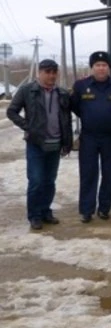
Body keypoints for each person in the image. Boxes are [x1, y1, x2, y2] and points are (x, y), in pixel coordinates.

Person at [6, 59, 73, 230]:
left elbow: (66, 119)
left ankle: (45, 211)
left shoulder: (62, 93)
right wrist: (28, 127)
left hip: (55, 144)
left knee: (49, 181)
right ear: (40, 73)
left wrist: (67, 142)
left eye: (54, 72)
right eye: (47, 72)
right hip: (36, 144)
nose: (51, 75)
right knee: (36, 180)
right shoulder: (28, 91)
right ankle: (34, 215)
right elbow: (11, 111)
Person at [70, 51, 111, 223]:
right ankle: (86, 210)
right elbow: (75, 107)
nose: (101, 68)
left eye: (104, 65)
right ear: (92, 67)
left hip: (110, 137)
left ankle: (104, 208)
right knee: (88, 173)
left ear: (109, 67)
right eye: (97, 65)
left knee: (109, 174)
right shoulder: (81, 86)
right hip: (89, 137)